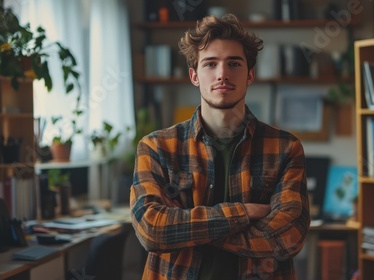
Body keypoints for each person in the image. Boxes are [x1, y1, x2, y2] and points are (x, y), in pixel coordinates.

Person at [130, 13, 310, 280]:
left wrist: (185, 229)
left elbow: (288, 237)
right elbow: (152, 230)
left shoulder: (285, 148)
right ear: (194, 76)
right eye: (210, 64)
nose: (222, 74)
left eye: (234, 64)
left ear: (250, 74)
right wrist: (245, 213)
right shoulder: (157, 147)